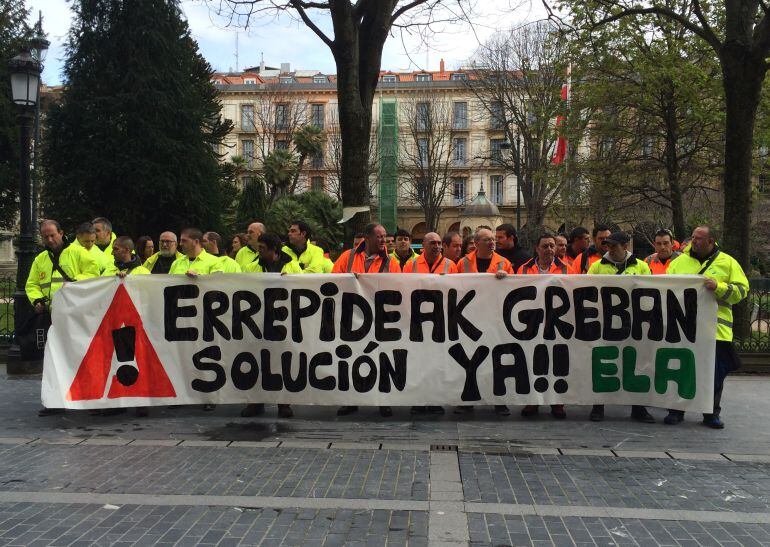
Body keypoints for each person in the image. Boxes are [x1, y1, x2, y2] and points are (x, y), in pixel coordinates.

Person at [664, 226, 749, 429]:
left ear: (711, 241)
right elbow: (665, 288)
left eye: (699, 238)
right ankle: (676, 411)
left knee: (714, 374)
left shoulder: (728, 263)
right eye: (693, 237)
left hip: (716, 331)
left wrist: (719, 287)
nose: (694, 241)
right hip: (685, 329)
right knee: (682, 370)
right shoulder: (679, 262)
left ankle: (711, 413)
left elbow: (741, 291)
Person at [26, 220, 99, 417]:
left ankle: (87, 397)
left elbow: (93, 273)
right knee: (52, 360)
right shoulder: (41, 259)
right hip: (51, 316)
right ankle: (55, 401)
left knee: (81, 356)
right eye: (45, 236)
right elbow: (32, 284)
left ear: (61, 233)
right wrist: (37, 300)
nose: (49, 239)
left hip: (74, 314)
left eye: (52, 235)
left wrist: (74, 285)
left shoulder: (78, 253)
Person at [586, 231, 656, 424]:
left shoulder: (642, 266)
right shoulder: (596, 267)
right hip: (604, 324)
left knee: (636, 363)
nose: (609, 248)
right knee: (603, 362)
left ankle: (638, 408)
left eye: (614, 245)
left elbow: (651, 293)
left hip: (633, 325)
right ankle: (598, 406)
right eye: (608, 244)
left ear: (626, 246)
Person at [333, 223, 400, 417]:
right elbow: (333, 279)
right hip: (352, 317)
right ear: (367, 238)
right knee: (351, 359)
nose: (384, 240)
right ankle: (351, 400)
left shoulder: (391, 262)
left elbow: (398, 288)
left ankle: (383, 401)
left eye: (385, 236)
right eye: (379, 237)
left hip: (380, 318)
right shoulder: (348, 256)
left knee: (382, 360)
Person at [457, 227, 512, 416]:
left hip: (496, 319)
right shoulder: (463, 263)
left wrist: (506, 279)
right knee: (470, 359)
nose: (492, 243)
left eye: (493, 240)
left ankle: (500, 401)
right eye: (487, 240)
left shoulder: (504, 263)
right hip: (470, 319)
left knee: (497, 359)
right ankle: (467, 400)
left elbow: (513, 290)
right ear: (477, 242)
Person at [516, 234, 569, 419]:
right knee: (532, 360)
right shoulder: (524, 269)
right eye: (545, 246)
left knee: (557, 361)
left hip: (558, 322)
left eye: (552, 246)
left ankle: (557, 403)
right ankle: (533, 401)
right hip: (531, 321)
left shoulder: (566, 269)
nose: (549, 250)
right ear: (537, 249)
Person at [403, 232, 456, 415]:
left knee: (438, 362)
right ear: (423, 245)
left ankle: (435, 400)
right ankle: (418, 399)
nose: (437, 246)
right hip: (417, 320)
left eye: (439, 243)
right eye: (432, 242)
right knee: (418, 361)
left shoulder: (451, 265)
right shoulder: (411, 265)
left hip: (441, 322)